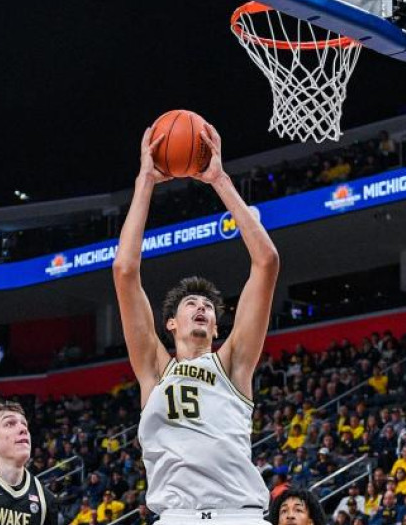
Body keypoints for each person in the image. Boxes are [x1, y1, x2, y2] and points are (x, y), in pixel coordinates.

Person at [114, 124, 279, 524]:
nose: (202, 308)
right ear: (170, 323)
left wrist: (220, 180)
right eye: (191, 303)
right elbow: (124, 270)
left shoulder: (233, 363)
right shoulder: (154, 370)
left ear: (218, 329)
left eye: (208, 305)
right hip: (177, 516)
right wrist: (145, 181)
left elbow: (267, 262)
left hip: (238, 515)